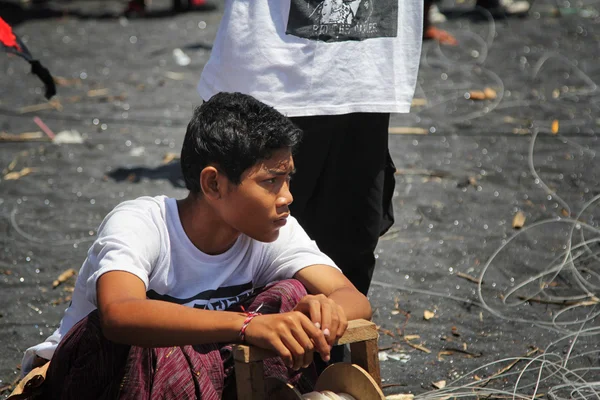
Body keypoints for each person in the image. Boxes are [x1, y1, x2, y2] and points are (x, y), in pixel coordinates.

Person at [19, 92, 372, 398]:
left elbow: (352, 297)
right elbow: (118, 314)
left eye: (288, 179)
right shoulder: (141, 222)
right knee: (156, 346)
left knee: (293, 295)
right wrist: (246, 324)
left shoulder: (273, 229)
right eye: (271, 182)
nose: (287, 197)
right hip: (94, 381)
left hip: (209, 377)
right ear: (214, 184)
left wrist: (324, 310)